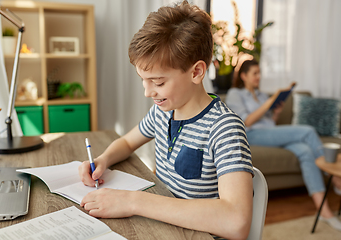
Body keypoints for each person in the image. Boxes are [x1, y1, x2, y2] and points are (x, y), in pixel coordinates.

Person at [78, 1, 254, 239]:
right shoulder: (162, 112)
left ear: (196, 72)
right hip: (161, 228)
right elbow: (128, 143)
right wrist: (102, 159)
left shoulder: (224, 128)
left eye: (158, 82)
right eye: (143, 80)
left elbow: (237, 221)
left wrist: (133, 201)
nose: (148, 92)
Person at [226, 59, 341, 231]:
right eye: (254, 73)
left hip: (271, 134)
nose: (258, 77)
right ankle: (336, 177)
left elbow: (270, 122)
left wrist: (276, 112)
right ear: (243, 76)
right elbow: (247, 121)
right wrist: (270, 102)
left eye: (259, 73)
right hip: (252, 135)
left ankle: (323, 211)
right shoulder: (235, 93)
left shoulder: (262, 94)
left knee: (305, 151)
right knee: (308, 131)